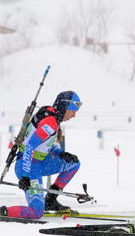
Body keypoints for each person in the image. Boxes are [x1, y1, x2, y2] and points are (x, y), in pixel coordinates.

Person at [1, 91, 82, 219]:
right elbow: (30, 147)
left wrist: (61, 153)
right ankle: (4, 212)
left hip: (40, 162)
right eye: (72, 111)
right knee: (37, 212)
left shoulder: (50, 114)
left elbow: (44, 144)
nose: (73, 116)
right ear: (65, 107)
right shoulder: (51, 123)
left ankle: (51, 199)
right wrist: (25, 176)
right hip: (28, 167)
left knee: (74, 163)